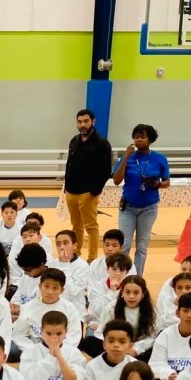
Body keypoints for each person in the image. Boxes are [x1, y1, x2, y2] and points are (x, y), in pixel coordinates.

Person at [111, 123, 170, 276]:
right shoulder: (128, 157)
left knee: (142, 247)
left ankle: (137, 277)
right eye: (136, 137)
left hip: (149, 208)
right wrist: (126, 156)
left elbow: (167, 182)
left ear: (150, 139)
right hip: (128, 207)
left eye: (142, 137)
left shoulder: (159, 159)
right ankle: (122, 275)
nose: (139, 140)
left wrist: (158, 184)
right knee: (124, 245)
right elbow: (116, 180)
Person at [63, 108, 113, 262]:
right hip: (71, 191)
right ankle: (76, 254)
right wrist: (66, 187)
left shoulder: (102, 144)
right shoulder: (74, 140)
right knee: (76, 225)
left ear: (93, 122)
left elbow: (106, 171)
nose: (82, 125)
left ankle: (92, 258)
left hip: (88, 193)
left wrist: (94, 191)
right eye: (79, 122)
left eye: (86, 121)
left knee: (91, 227)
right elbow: (69, 164)